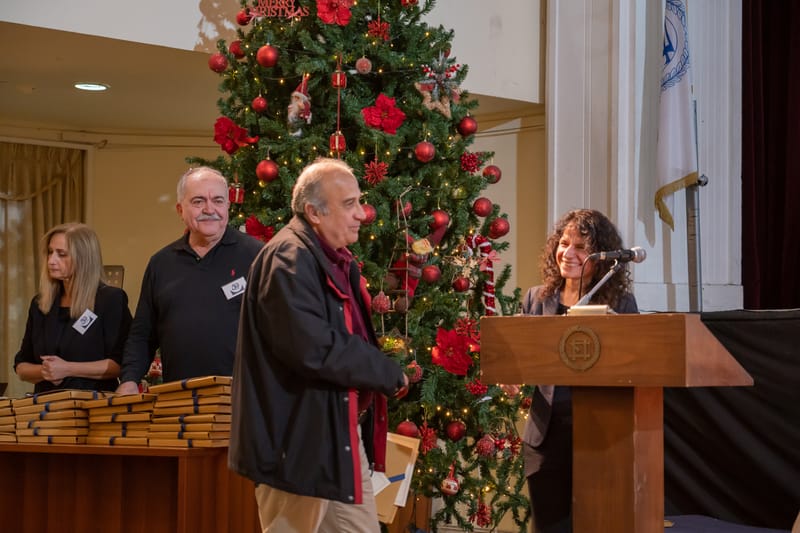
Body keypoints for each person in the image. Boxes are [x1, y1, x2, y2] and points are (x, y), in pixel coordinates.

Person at [229, 158, 409, 533]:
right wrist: (386, 372)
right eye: (349, 204)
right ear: (313, 211)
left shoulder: (330, 258)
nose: (362, 214)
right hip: (297, 444)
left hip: (336, 434)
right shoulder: (289, 258)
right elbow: (315, 348)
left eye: (360, 202)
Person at [522, 209, 638, 533]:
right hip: (545, 435)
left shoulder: (621, 304)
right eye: (563, 243)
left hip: (598, 435)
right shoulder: (536, 299)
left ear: (601, 258)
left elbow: (634, 365)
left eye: (580, 247)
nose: (567, 253)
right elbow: (521, 354)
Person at [116, 166, 263, 393]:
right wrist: (128, 379)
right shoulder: (161, 264)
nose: (209, 209)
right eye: (198, 201)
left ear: (228, 206)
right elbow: (143, 334)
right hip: (179, 399)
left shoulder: (257, 256)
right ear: (180, 210)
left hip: (243, 399)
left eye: (218, 200)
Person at [14, 223, 132, 393]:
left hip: (92, 408)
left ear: (84, 258)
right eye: (50, 252)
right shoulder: (40, 304)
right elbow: (21, 365)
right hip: (45, 409)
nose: (51, 260)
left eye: (61, 254)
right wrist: (45, 371)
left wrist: (68, 368)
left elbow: (121, 364)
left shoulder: (110, 300)